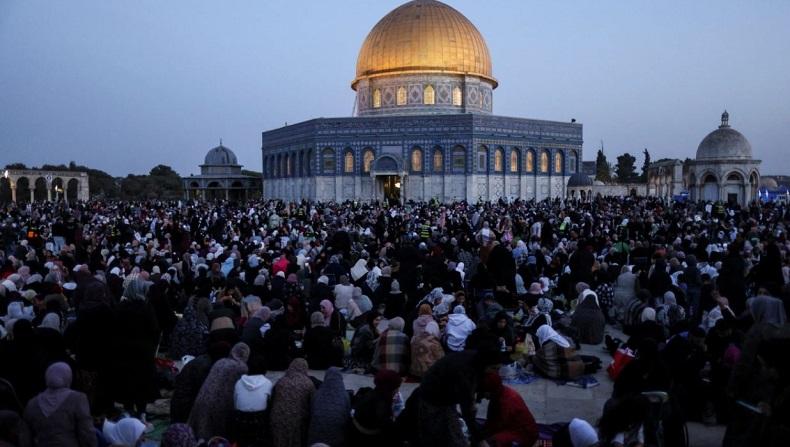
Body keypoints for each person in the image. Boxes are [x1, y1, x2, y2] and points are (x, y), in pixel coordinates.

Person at [20, 362, 96, 447]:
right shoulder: (78, 399)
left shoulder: (32, 403)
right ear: (68, 377)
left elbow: (25, 438)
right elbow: (87, 433)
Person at [188, 342, 250, 440]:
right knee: (214, 434)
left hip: (203, 397)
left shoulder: (221, 361)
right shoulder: (242, 368)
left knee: (200, 429)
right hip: (218, 403)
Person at [479, 371, 539, 447]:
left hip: (524, 435)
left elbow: (498, 426)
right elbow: (491, 418)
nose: (484, 397)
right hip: (512, 428)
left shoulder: (506, 402)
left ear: (490, 391)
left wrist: (484, 437)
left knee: (490, 442)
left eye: (485, 392)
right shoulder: (498, 395)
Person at [349, 369, 402, 447]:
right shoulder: (381, 404)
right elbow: (386, 426)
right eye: (396, 387)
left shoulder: (370, 393)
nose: (397, 390)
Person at [270, 358, 315, 447]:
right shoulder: (308, 383)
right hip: (297, 423)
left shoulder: (281, 381)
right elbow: (313, 404)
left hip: (277, 420)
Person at [233, 356, 272, 447]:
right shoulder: (267, 383)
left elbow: (235, 403)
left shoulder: (239, 382)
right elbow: (269, 402)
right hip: (260, 421)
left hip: (240, 420)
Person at [307, 367, 351, 446]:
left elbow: (311, 413)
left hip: (314, 440)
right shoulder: (345, 396)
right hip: (336, 440)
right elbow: (347, 417)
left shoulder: (317, 394)